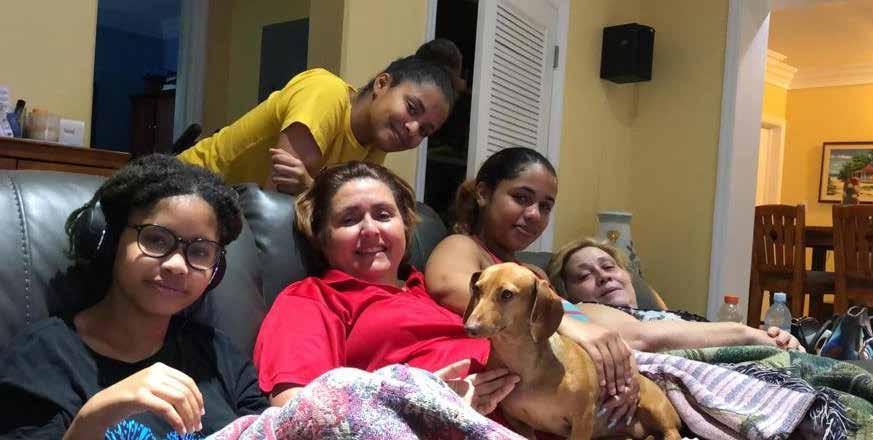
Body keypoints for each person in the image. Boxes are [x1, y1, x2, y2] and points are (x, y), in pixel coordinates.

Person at [0, 155, 269, 438]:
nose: (177, 265)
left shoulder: (220, 355)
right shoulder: (42, 357)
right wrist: (95, 417)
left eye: (200, 251)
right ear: (111, 240)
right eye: (156, 239)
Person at [252, 161, 519, 415]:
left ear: (405, 226)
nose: (370, 229)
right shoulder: (312, 299)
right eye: (349, 220)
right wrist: (419, 406)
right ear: (322, 237)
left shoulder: (427, 289)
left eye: (383, 215)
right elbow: (296, 411)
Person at [424, 147, 639, 429]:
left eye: (546, 206)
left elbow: (581, 324)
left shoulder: (533, 273)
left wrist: (624, 363)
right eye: (521, 198)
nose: (535, 214)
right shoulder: (463, 245)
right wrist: (563, 324)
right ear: (484, 193)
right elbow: (448, 286)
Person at [178, 39, 463, 196]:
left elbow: (344, 209)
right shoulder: (325, 93)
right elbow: (274, 206)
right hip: (185, 186)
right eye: (412, 108)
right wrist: (320, 194)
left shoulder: (374, 146)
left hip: (228, 211)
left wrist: (312, 188)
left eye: (425, 131)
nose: (413, 129)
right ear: (382, 84)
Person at [546, 237, 804, 352]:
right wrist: (747, 334)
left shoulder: (658, 314)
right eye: (584, 276)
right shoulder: (585, 310)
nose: (603, 276)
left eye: (608, 266)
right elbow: (639, 338)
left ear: (627, 275)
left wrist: (776, 339)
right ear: (567, 293)